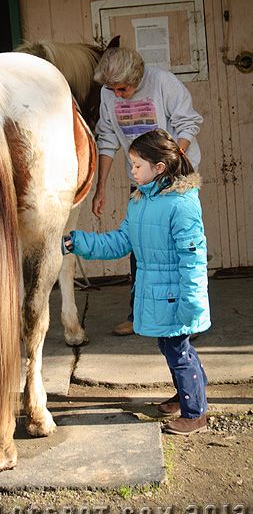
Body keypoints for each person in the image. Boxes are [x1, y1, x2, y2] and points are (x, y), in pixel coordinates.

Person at [63, 129, 210, 435]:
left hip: (176, 296)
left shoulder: (181, 204)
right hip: (156, 293)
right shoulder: (140, 201)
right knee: (173, 348)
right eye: (131, 165)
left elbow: (193, 258)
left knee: (178, 352)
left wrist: (193, 303)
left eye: (137, 165)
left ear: (159, 168)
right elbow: (120, 242)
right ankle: (185, 394)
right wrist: (77, 242)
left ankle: (196, 413)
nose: (132, 171)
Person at [91, 46, 203, 336]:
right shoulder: (108, 94)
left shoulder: (162, 82)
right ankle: (138, 315)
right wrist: (100, 187)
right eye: (111, 89)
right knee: (140, 249)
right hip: (142, 180)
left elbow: (187, 123)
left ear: (137, 77)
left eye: (122, 89)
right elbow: (106, 139)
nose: (117, 94)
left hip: (174, 179)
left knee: (179, 249)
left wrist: (167, 166)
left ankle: (189, 316)